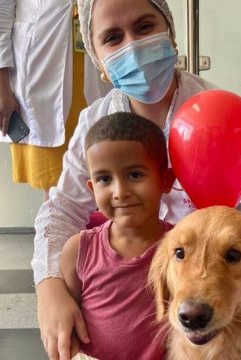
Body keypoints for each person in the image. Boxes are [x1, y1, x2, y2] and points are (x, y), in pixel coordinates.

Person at [32, 1, 241, 359]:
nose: (132, 47)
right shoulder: (96, 122)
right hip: (149, 286)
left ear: (171, 33)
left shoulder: (222, 113)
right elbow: (59, 211)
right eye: (113, 38)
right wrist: (49, 288)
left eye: (145, 26)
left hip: (221, 285)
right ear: (99, 63)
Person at [60, 112, 174, 359]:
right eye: (104, 179)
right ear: (92, 188)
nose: (120, 192)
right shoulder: (79, 250)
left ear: (165, 180)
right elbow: (66, 323)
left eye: (135, 175)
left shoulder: (181, 247)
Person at [0, 0, 110, 200]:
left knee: (108, 167)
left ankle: (99, 232)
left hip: (97, 61)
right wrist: (1, 86)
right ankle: (53, 231)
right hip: (41, 69)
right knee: (55, 186)